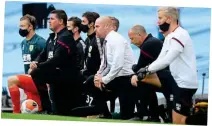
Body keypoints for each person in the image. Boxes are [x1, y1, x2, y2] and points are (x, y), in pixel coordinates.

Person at [8, 10, 79, 115]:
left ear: (60, 21)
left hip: (66, 78)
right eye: (49, 19)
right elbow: (43, 54)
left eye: (52, 19)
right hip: (51, 77)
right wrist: (36, 62)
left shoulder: (64, 37)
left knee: (22, 77)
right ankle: (44, 107)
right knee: (57, 111)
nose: (49, 21)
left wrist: (37, 65)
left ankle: (42, 107)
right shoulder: (52, 38)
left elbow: (57, 59)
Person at [137, 7, 198, 124]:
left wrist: (145, 70)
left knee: (179, 121)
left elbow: (166, 61)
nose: (157, 22)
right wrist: (146, 70)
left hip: (184, 84)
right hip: (179, 83)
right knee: (177, 121)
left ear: (169, 19)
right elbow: (161, 59)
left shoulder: (179, 35)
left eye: (160, 18)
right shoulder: (170, 36)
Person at [93, 16, 136, 120]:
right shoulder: (107, 40)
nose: (95, 29)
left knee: (126, 116)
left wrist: (104, 79)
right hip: (116, 78)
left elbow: (118, 64)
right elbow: (105, 63)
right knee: (91, 83)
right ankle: (105, 114)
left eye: (97, 26)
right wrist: (98, 76)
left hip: (126, 79)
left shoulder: (116, 39)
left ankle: (109, 114)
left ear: (107, 26)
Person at [7, 14, 46, 113]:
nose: (20, 29)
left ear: (30, 27)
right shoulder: (23, 43)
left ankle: (15, 112)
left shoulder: (40, 42)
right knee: (35, 111)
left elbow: (50, 60)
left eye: (23, 26)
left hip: (39, 80)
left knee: (11, 80)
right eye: (19, 26)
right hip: (29, 80)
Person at [128, 25, 163, 122]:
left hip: (167, 79)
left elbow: (139, 68)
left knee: (138, 81)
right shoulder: (152, 41)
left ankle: (142, 114)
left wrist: (133, 70)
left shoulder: (148, 44)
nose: (131, 42)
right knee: (144, 82)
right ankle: (153, 115)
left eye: (132, 38)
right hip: (165, 77)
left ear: (139, 35)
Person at [81, 11, 101, 80]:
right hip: (86, 77)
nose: (81, 24)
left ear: (91, 24)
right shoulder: (87, 39)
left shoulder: (98, 40)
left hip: (95, 79)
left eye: (83, 22)